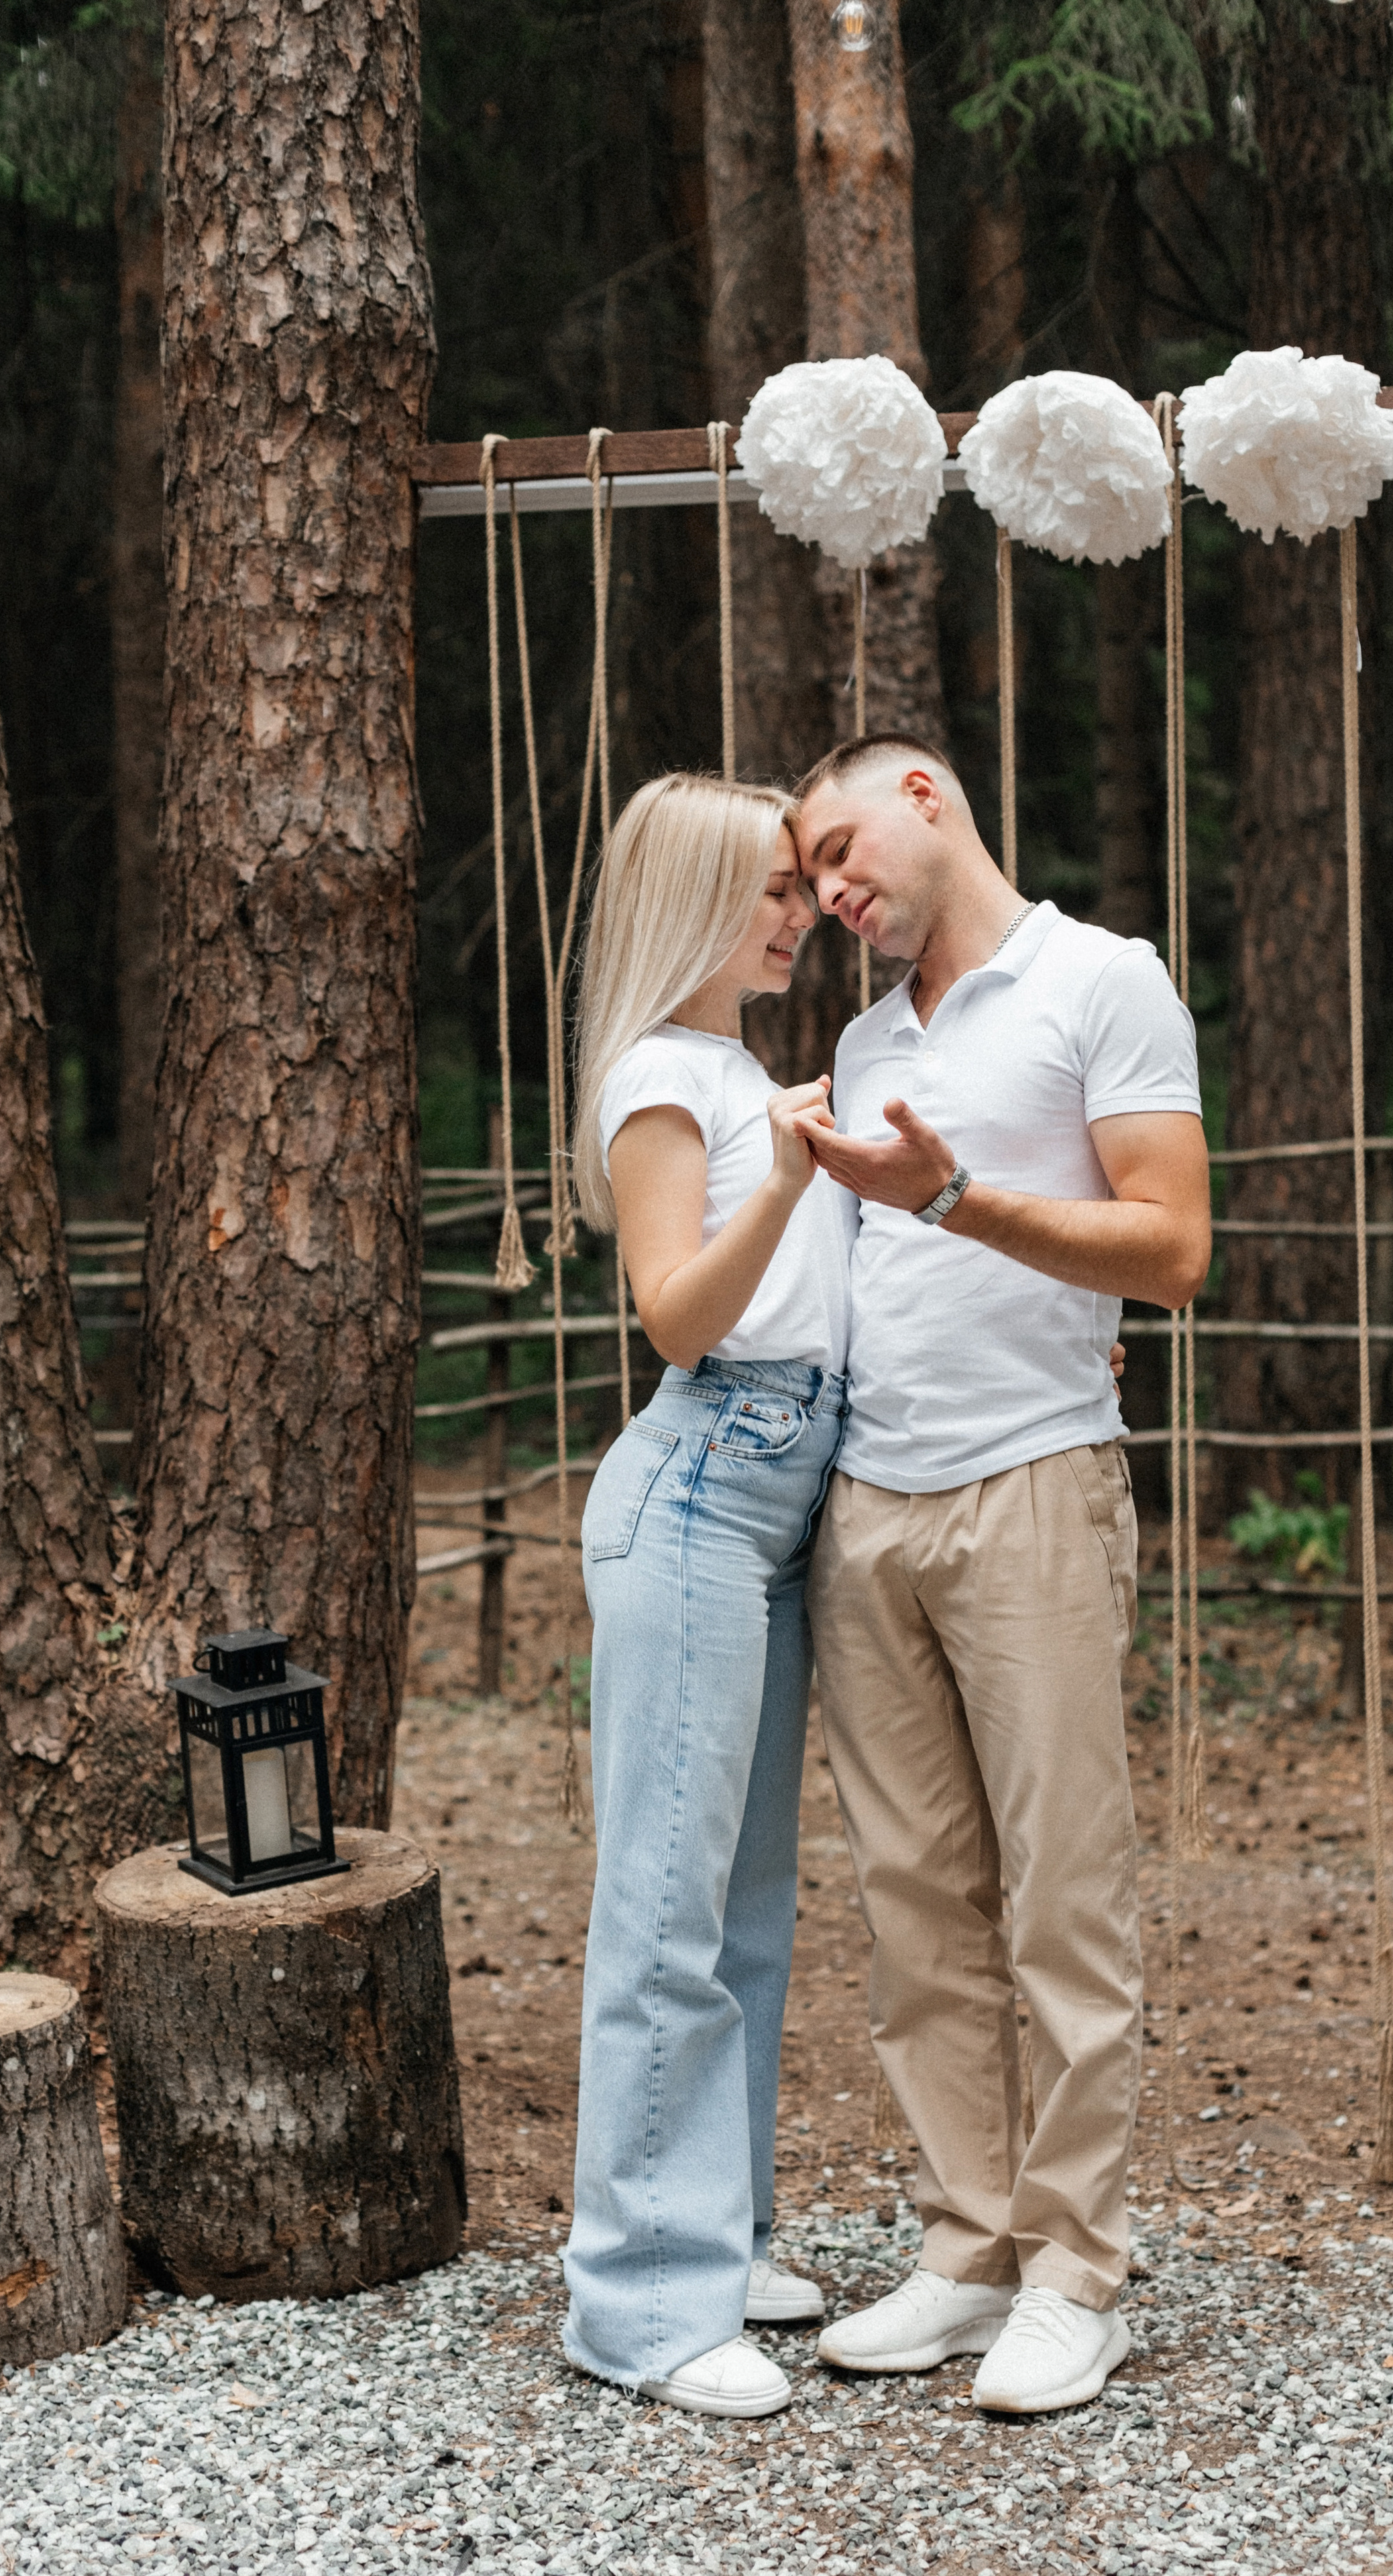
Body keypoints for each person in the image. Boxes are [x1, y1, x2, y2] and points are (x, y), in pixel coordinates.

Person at [793, 734, 1211, 2417]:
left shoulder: (1100, 978)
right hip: (866, 1507)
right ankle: (969, 2247)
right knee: (916, 1912)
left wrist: (955, 1194)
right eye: (807, 877)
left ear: (926, 796)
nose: (828, 892)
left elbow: (1172, 1249)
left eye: (840, 847)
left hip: (1033, 1487)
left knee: (1060, 1900)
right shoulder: (861, 1035)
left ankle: (1075, 2270)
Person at [558, 771, 854, 2422]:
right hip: (699, 1488)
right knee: (664, 1908)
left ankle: (712, 2237)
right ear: (686, 896)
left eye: (802, 886)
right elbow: (677, 1312)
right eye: (766, 886)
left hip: (776, 1494)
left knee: (740, 1911)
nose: (796, 910)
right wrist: (799, 1176)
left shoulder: (736, 1069)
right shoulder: (659, 1081)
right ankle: (640, 2306)